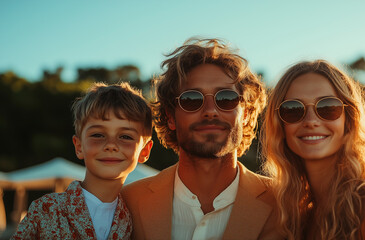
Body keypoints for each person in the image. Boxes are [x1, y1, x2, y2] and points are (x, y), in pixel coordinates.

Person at [122, 38, 282, 240]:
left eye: (226, 98)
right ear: (170, 117)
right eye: (192, 99)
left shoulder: (285, 205)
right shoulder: (128, 202)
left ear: (247, 114)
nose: (210, 111)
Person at [261, 59, 365, 239]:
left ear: (348, 121)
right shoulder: (295, 219)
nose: (311, 121)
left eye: (327, 107)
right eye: (293, 109)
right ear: (280, 126)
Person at [12, 82, 153, 239]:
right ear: (79, 146)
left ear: (145, 151)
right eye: (98, 135)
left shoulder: (139, 223)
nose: (111, 145)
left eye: (125, 136)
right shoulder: (46, 210)